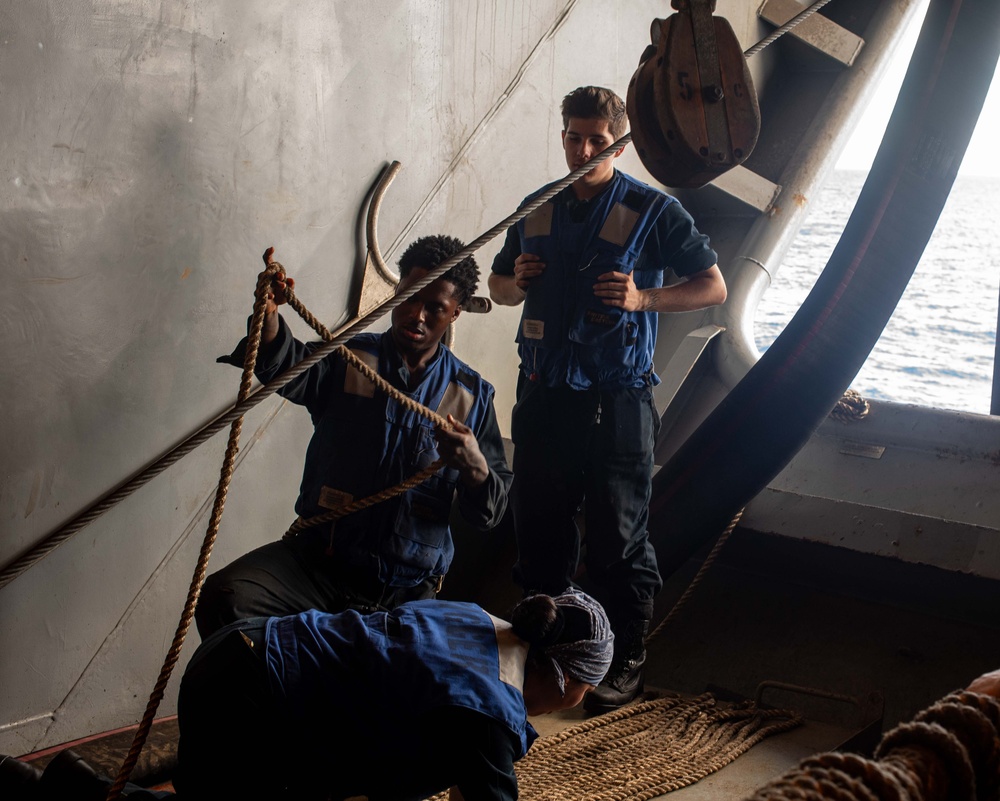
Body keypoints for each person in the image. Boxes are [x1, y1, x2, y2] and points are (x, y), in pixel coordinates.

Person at [488, 86, 727, 714]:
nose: (583, 149)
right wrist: (516, 281)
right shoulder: (536, 207)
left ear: (621, 142)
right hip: (544, 396)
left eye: (597, 140)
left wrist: (642, 300)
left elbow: (713, 286)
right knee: (538, 530)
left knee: (618, 542)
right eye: (573, 136)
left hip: (617, 403)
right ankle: (546, 650)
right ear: (563, 134)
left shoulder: (653, 210)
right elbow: (498, 285)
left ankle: (624, 661)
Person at [195, 235, 513, 638]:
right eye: (410, 297)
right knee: (225, 598)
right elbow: (289, 368)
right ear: (397, 291)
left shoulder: (471, 398)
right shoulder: (350, 359)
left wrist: (474, 466)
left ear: (456, 314)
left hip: (404, 592)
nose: (416, 315)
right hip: (318, 567)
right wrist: (272, 318)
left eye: (435, 307)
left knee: (397, 692)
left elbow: (490, 512)